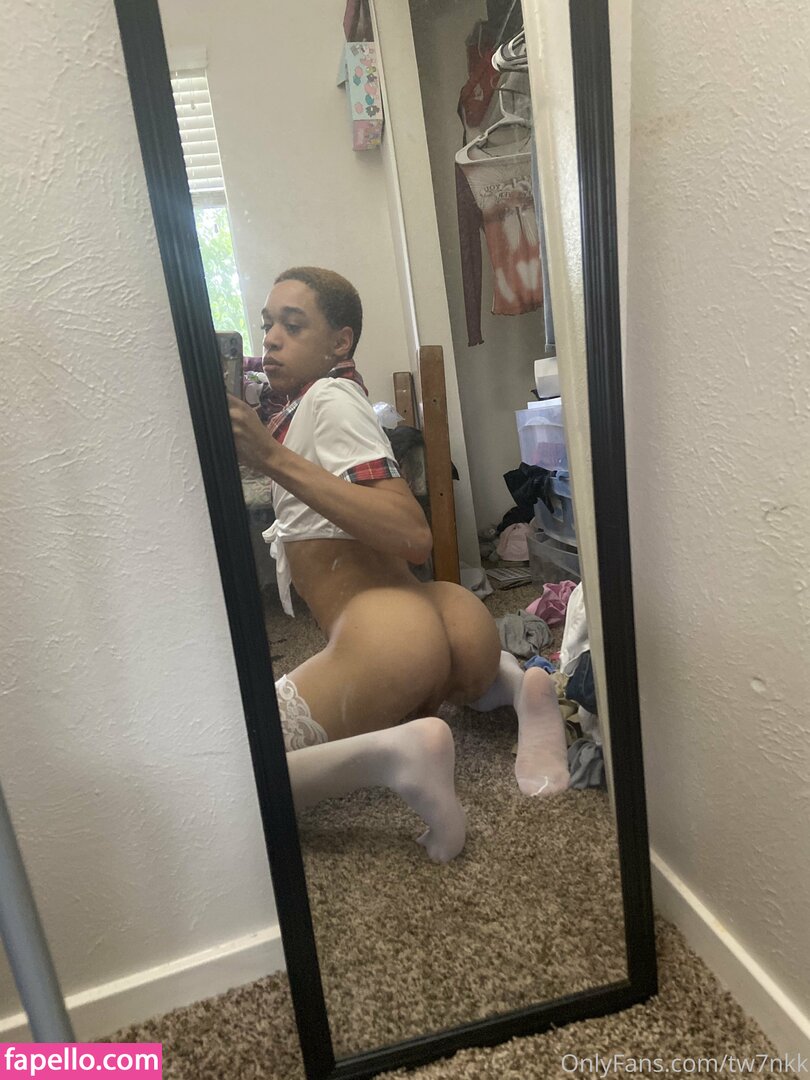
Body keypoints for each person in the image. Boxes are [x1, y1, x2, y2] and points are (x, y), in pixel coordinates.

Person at [228, 267, 569, 862]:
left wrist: (270, 459)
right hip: (447, 617)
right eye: (267, 325)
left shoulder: (329, 398)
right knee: (462, 681)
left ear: (340, 341)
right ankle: (519, 687)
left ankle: (398, 756)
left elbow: (411, 533)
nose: (272, 339)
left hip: (388, 636)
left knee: (232, 769)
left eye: (293, 325)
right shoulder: (316, 402)